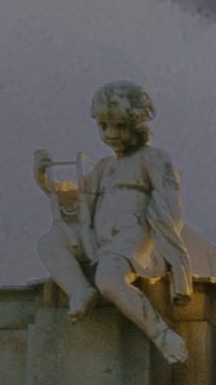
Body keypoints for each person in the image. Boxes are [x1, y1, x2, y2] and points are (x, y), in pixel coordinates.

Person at [34, 80, 196, 367]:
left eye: (119, 126)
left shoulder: (154, 158)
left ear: (138, 123)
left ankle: (162, 335)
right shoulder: (104, 167)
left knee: (109, 279)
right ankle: (80, 290)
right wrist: (46, 183)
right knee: (50, 240)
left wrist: (168, 248)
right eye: (104, 127)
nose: (111, 135)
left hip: (133, 238)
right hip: (95, 237)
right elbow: (73, 199)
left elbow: (170, 206)